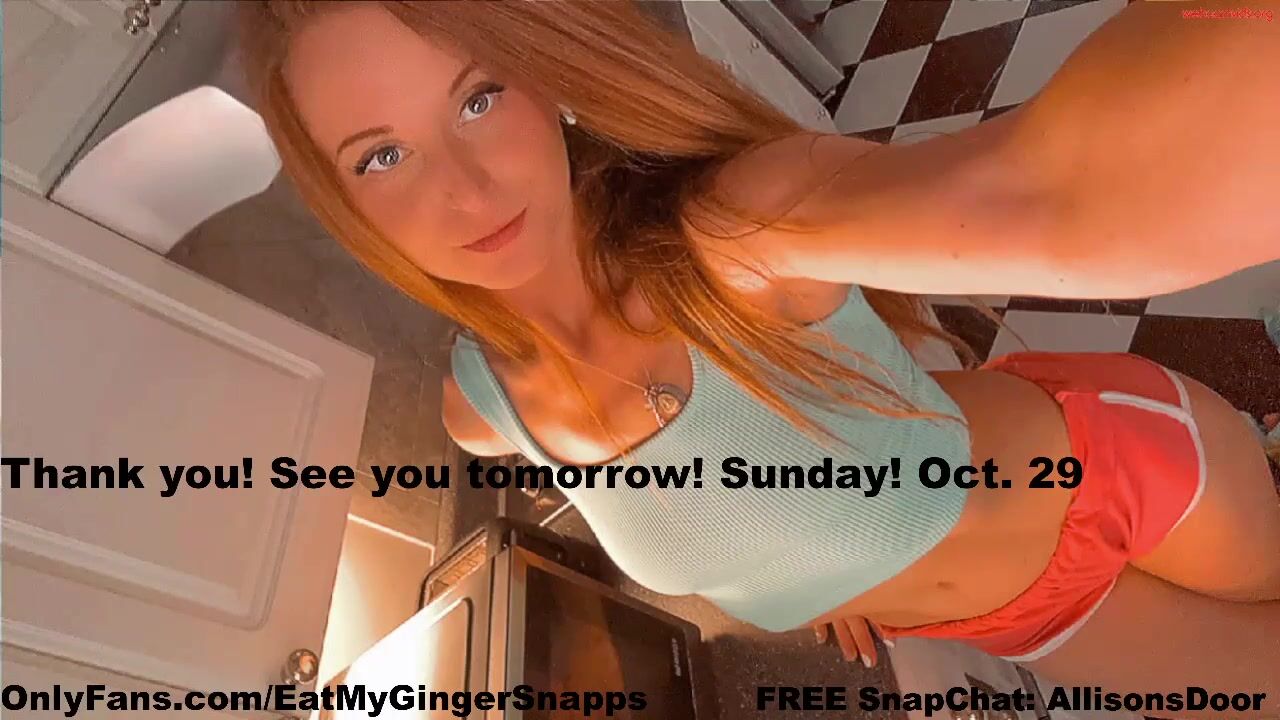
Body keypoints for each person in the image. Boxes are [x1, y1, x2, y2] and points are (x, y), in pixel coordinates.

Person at [235, 1, 1280, 715]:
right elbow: (730, 518)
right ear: (350, 207)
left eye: (477, 98)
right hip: (1012, 615)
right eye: (382, 156)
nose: (463, 190)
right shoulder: (481, 414)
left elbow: (1054, 191)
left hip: (1124, 475)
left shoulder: (736, 234)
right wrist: (829, 578)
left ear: (547, 82)